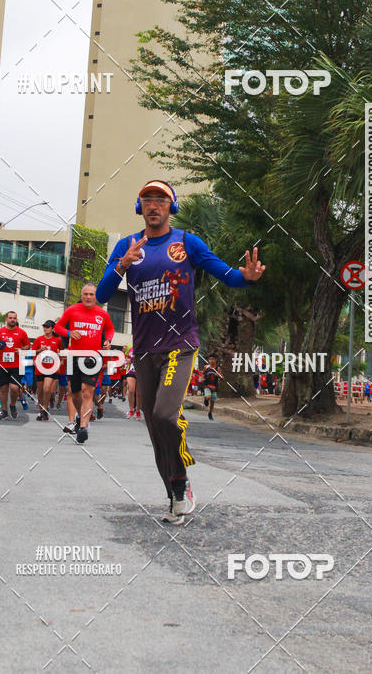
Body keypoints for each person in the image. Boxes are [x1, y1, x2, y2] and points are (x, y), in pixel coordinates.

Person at [96, 180, 265, 524]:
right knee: (154, 429)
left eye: (161, 199)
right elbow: (100, 295)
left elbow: (227, 274)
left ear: (170, 207)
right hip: (143, 350)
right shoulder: (128, 246)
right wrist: (121, 266)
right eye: (147, 199)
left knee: (164, 415)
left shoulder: (187, 242)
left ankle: (182, 475)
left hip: (180, 345)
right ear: (139, 206)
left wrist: (246, 277)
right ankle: (176, 490)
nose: (154, 204)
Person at [54, 283, 114, 443]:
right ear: (81, 296)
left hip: (92, 358)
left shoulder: (102, 314)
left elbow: (110, 329)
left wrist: (108, 340)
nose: (88, 297)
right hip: (74, 357)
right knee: (75, 392)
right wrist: (68, 332)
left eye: (91, 294)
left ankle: (83, 428)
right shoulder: (72, 310)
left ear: (96, 297)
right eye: (85, 294)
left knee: (87, 391)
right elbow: (57, 327)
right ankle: (82, 416)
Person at [0, 312, 30, 420]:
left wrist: (22, 350)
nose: (12, 320)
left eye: (14, 318)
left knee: (14, 387)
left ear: (16, 320)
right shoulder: (0, 332)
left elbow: (27, 345)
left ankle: (12, 405)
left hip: (16, 365)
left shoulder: (21, 332)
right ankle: (4, 411)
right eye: (10, 318)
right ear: (7, 319)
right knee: (3, 389)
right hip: (1, 365)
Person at [31, 321, 61, 421]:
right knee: (39, 392)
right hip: (40, 368)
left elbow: (62, 353)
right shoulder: (39, 339)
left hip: (51, 369)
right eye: (44, 327)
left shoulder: (57, 340)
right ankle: (41, 411)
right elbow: (33, 352)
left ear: (52, 329)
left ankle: (45, 409)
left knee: (47, 389)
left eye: (47, 327)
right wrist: (35, 358)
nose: (45, 329)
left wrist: (59, 363)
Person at [202, 355, 223, 421]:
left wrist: (219, 376)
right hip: (207, 385)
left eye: (213, 359)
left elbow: (222, 377)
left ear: (215, 360)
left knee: (212, 401)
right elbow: (203, 374)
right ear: (208, 360)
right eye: (210, 359)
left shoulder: (218, 368)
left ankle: (210, 413)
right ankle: (206, 399)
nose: (211, 360)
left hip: (214, 386)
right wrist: (202, 378)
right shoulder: (206, 367)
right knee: (208, 397)